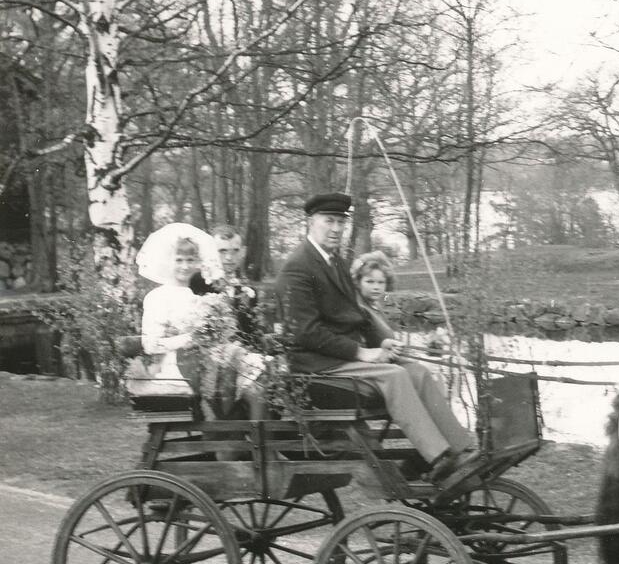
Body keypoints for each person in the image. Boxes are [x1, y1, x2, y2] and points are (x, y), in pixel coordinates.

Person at [276, 192, 485, 489]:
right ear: (311, 222)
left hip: (343, 359)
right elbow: (304, 332)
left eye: (340, 222)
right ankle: (436, 457)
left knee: (418, 371)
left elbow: (355, 315)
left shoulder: (335, 262)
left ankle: (461, 448)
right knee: (396, 376)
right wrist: (361, 352)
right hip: (316, 366)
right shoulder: (298, 267)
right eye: (329, 221)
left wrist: (383, 343)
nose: (336, 229)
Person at [135, 223, 265, 415]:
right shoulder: (157, 297)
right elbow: (150, 345)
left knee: (257, 382)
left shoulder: (196, 295)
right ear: (167, 261)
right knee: (243, 381)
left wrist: (215, 332)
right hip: (176, 365)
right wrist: (192, 338)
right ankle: (229, 432)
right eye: (178, 260)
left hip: (207, 359)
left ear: (198, 261)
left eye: (190, 260)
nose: (185, 266)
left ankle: (250, 435)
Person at [188, 224, 261, 346]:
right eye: (222, 251)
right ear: (210, 252)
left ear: (243, 252)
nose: (229, 257)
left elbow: (251, 334)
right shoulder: (196, 282)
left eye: (235, 251)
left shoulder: (249, 291)